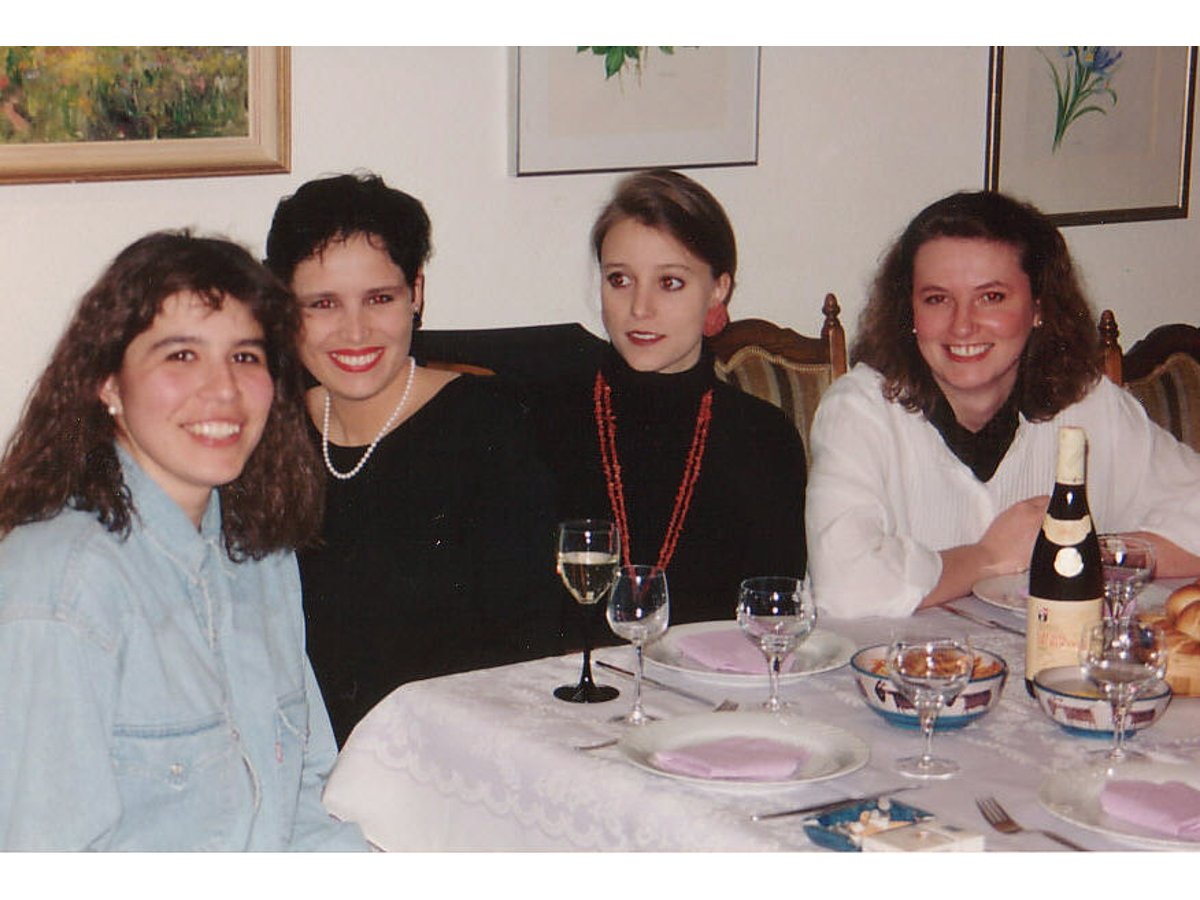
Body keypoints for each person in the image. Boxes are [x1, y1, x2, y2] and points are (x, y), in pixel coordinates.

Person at [0, 232, 367, 850]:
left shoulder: (261, 554)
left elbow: (303, 804)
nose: (223, 389)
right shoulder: (60, 588)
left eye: (245, 357)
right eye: (181, 355)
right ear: (108, 384)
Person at [265, 173, 560, 746]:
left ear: (416, 293)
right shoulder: (267, 436)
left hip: (451, 759)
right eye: (323, 303)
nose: (355, 331)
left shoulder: (489, 431)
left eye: (380, 298)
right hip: (300, 765)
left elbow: (528, 651)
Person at [806, 190, 1200, 618]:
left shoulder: (1087, 401)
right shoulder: (859, 410)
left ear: (1038, 307)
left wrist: (1079, 553)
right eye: (937, 299)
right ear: (909, 312)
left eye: (991, 297)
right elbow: (846, 586)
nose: (962, 325)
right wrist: (987, 557)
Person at [531, 169, 807, 626]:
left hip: (711, 672)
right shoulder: (544, 420)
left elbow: (770, 616)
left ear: (718, 289)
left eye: (670, 282)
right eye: (620, 279)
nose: (640, 308)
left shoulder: (763, 436)